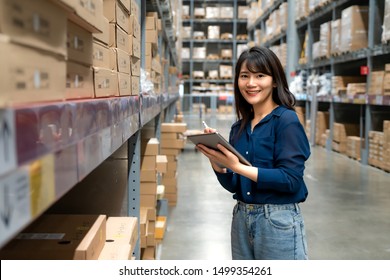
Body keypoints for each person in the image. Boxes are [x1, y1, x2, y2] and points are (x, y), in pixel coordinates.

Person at [196, 46, 311, 260]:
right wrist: (216, 162)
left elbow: (291, 179)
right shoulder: (239, 128)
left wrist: (237, 167)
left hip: (277, 222)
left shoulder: (286, 121)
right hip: (241, 218)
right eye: (244, 76)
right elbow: (235, 184)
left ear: (274, 80)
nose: (251, 83)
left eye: (260, 75)